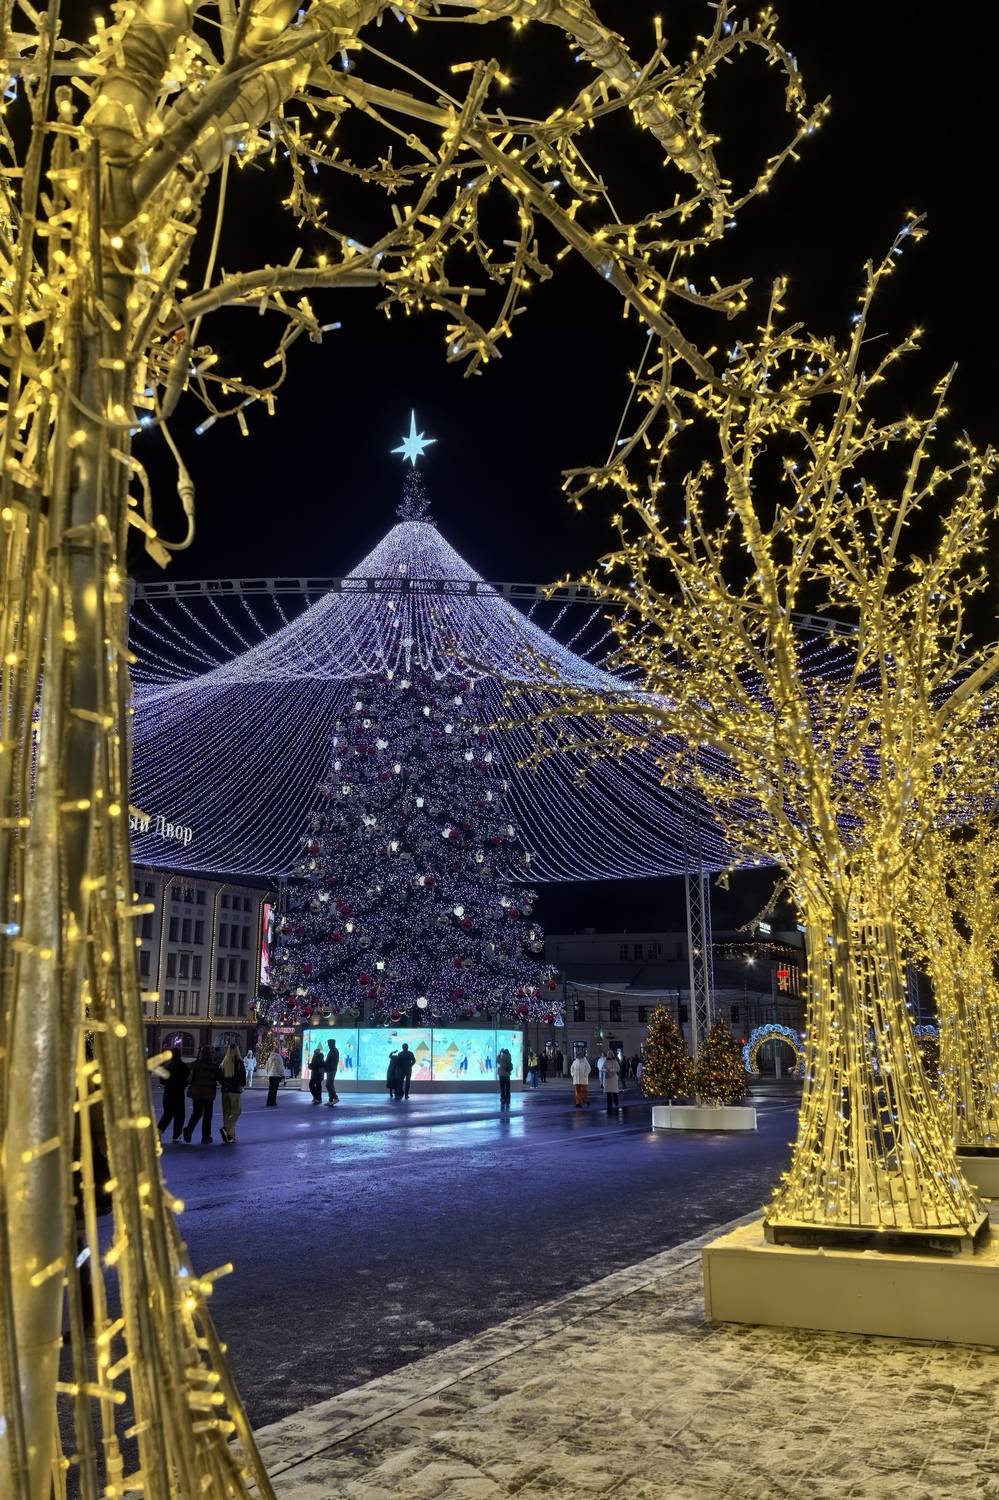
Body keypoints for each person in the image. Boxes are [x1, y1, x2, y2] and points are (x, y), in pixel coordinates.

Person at [183, 1046, 218, 1142]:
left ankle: (189, 1129)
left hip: (197, 1092)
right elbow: (219, 1077)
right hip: (209, 1093)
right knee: (208, 1115)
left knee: (197, 1113)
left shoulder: (196, 1065)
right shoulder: (214, 1067)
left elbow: (189, 1075)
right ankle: (206, 1136)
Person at [157, 1045, 189, 1142]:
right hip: (179, 1092)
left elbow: (162, 1080)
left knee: (167, 1114)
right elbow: (187, 1079)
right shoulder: (183, 1066)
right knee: (179, 1115)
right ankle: (176, 1136)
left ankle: (158, 1131)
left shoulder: (167, 1066)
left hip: (168, 1092)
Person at [217, 1042, 247, 1143]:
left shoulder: (224, 1062)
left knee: (227, 1113)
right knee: (237, 1112)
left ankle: (230, 1136)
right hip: (235, 1091)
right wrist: (241, 1084)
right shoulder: (239, 1062)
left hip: (225, 1091)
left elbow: (218, 1077)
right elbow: (243, 1077)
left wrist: (225, 1083)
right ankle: (226, 1129)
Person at [603, 1049, 621, 1114]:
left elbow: (618, 1068)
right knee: (608, 1092)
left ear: (612, 1055)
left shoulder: (615, 1061)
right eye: (608, 1054)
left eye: (610, 1054)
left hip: (613, 1078)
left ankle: (616, 1102)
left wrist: (611, 1070)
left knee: (614, 1092)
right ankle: (609, 1104)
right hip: (607, 1078)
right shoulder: (605, 1061)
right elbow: (602, 1068)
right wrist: (606, 1070)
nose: (609, 1055)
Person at [324, 1036, 341, 1105]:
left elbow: (331, 1062)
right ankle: (331, 1099)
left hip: (331, 1070)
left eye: (329, 1044)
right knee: (329, 1084)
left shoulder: (333, 1051)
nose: (328, 1045)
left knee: (328, 1084)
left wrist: (325, 1066)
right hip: (331, 1069)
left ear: (331, 1044)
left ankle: (335, 1097)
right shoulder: (333, 1050)